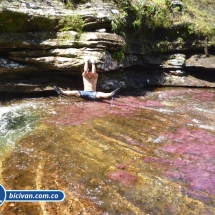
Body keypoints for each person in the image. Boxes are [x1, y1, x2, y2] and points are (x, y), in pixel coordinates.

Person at [54, 57, 120, 100]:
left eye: (90, 71)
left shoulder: (95, 76)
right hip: (85, 93)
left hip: (93, 94)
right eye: (88, 71)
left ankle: (111, 94)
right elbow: (85, 71)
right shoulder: (84, 75)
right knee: (75, 92)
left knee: (100, 94)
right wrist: (86, 61)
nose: (89, 72)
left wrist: (93, 63)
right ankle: (61, 92)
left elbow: (94, 72)